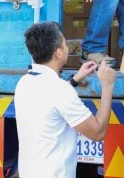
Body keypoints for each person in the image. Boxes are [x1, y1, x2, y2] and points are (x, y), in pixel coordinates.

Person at [14, 21, 116, 178]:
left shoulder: (25, 82)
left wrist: (75, 79)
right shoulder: (60, 90)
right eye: (65, 43)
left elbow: (49, 97)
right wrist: (107, 85)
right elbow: (97, 132)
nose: (67, 47)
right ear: (58, 53)